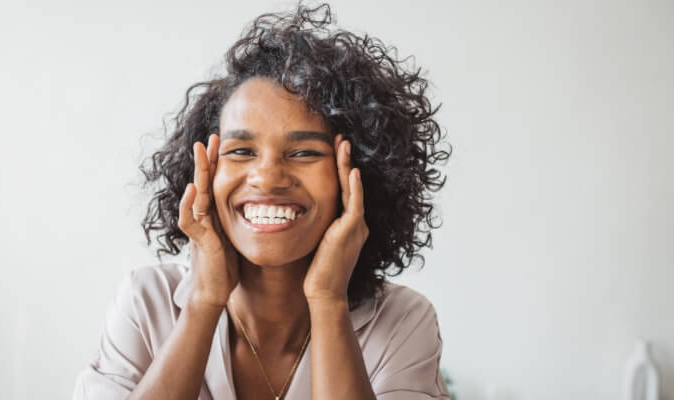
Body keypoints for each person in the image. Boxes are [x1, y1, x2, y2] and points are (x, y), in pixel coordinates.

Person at [73, 2, 451, 399]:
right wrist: (204, 301)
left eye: (305, 153)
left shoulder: (402, 321)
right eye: (241, 151)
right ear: (204, 172)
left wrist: (327, 300)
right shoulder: (147, 302)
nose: (268, 177)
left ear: (358, 176)